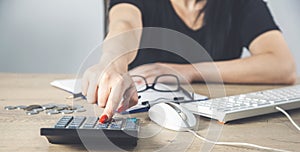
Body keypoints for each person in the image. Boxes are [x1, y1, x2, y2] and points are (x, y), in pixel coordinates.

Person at [82, 0, 297, 123]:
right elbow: (124, 24)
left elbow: (283, 66)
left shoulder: (241, 4)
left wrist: (190, 71)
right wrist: (113, 63)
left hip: (219, 124)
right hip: (145, 120)